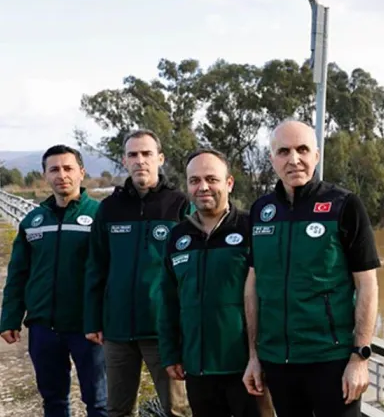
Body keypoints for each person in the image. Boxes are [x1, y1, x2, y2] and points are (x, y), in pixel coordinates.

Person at [242, 119, 381, 417]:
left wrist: (360, 357)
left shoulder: (344, 205)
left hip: (331, 360)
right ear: (272, 160)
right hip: (278, 362)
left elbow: (367, 284)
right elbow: (253, 286)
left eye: (302, 149)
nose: (294, 159)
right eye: (283, 151)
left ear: (316, 155)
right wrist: (254, 355)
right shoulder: (261, 211)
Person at [83, 129, 191, 417]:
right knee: (117, 409)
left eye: (146, 154)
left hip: (163, 330)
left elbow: (192, 269)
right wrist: (93, 318)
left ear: (160, 158)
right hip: (117, 331)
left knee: (177, 409)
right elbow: (96, 266)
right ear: (124, 160)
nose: (140, 160)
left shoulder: (179, 204)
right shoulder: (109, 208)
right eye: (133, 154)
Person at [159, 148, 274, 417]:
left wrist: (263, 357)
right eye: (194, 180)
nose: (203, 187)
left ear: (229, 183)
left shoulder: (252, 229)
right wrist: (170, 353)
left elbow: (271, 296)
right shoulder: (177, 237)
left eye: (211, 179)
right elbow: (168, 300)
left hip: (248, 367)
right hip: (198, 368)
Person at [0, 145, 107, 417]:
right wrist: (10, 318)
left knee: (99, 402)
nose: (62, 175)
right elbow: (18, 274)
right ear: (45, 175)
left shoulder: (101, 216)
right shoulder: (33, 221)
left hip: (89, 328)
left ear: (81, 173)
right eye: (54, 169)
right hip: (43, 328)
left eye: (68, 168)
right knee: (53, 400)